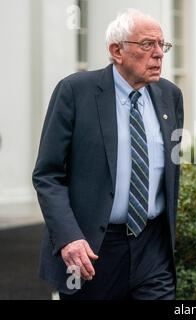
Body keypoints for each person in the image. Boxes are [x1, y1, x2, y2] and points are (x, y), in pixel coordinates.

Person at [32, 8, 183, 300]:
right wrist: (69, 237)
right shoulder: (75, 92)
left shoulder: (170, 95)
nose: (158, 54)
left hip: (152, 249)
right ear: (117, 51)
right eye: (147, 45)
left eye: (161, 45)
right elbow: (48, 175)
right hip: (91, 252)